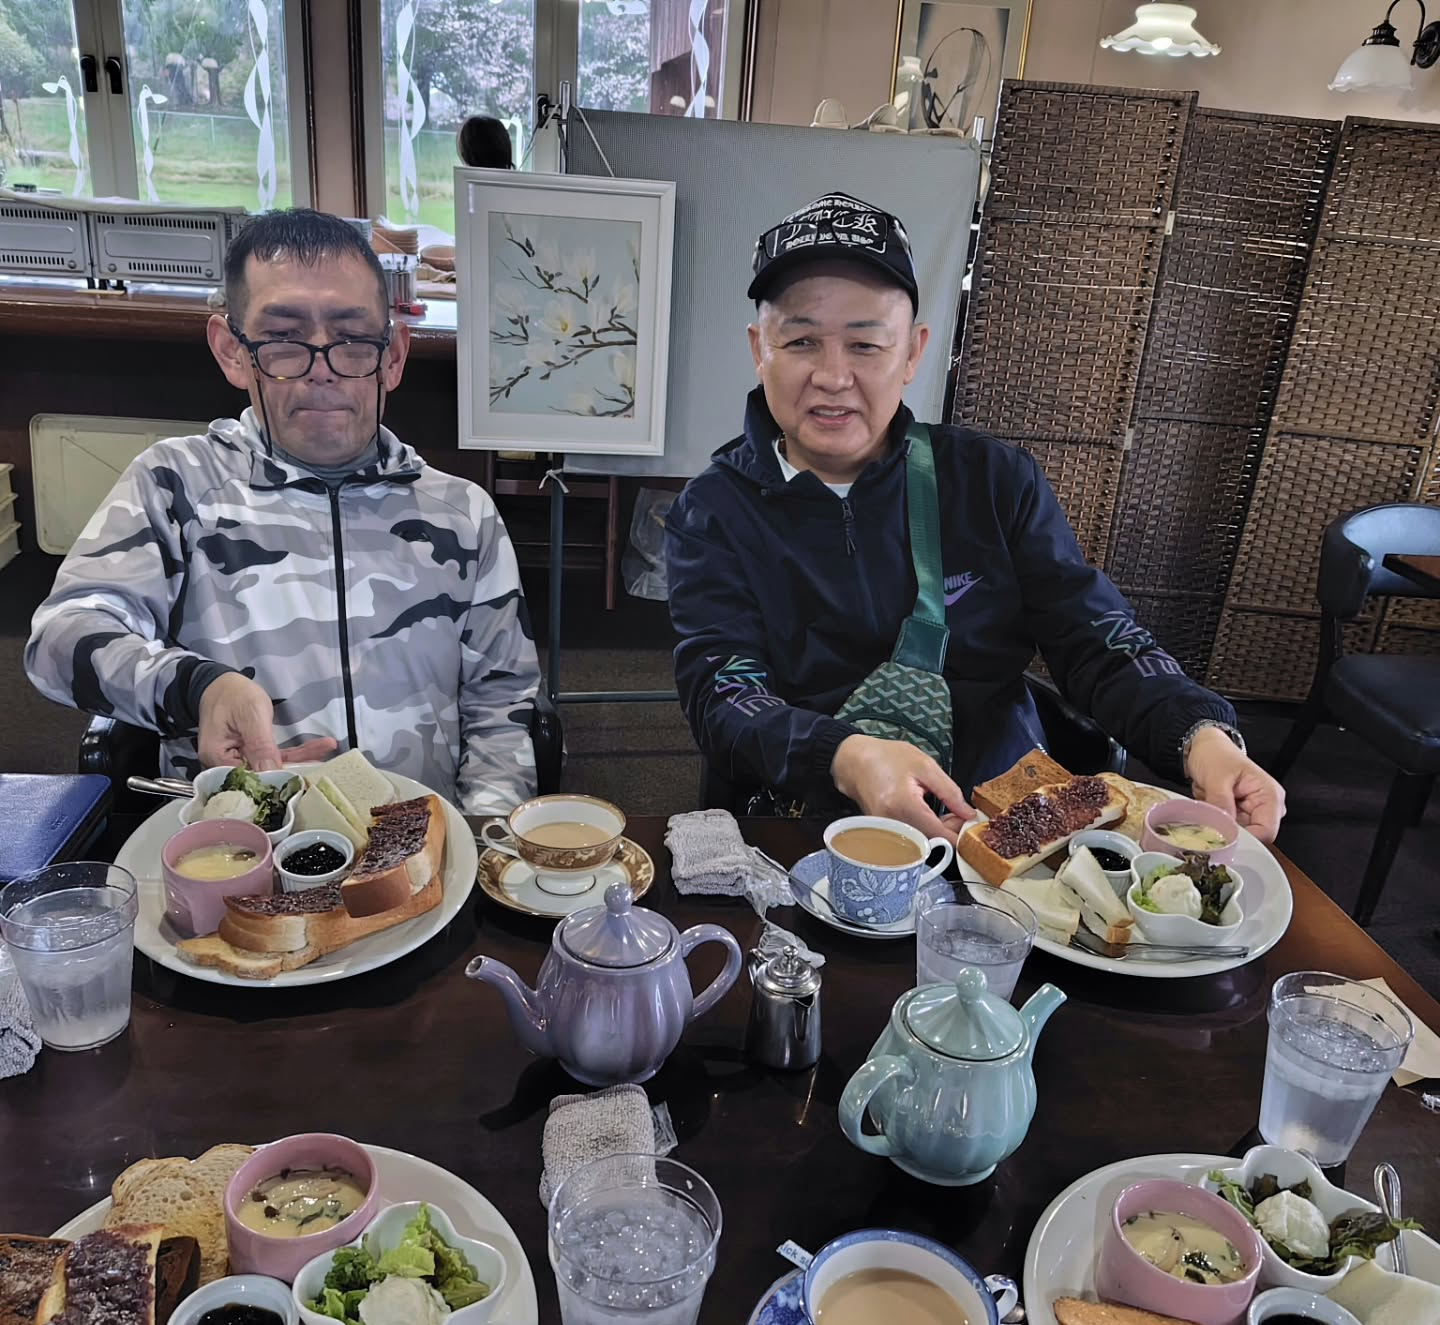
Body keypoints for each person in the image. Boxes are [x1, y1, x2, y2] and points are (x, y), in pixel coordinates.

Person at [665, 192, 1287, 843]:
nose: (833, 375)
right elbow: (723, 694)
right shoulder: (713, 512)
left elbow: (1093, 634)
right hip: (805, 814)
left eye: (866, 344)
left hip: (998, 809)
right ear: (759, 350)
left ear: (912, 353)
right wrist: (846, 755)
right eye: (800, 341)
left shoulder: (992, 481)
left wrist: (1201, 735)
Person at [27, 208, 541, 815]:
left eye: (351, 341)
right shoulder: (175, 486)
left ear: (393, 356)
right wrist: (198, 686)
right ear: (233, 351)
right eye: (283, 340)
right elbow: (58, 642)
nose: (321, 372)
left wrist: (482, 850)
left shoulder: (463, 515)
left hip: (423, 860)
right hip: (241, 862)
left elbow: (502, 705)